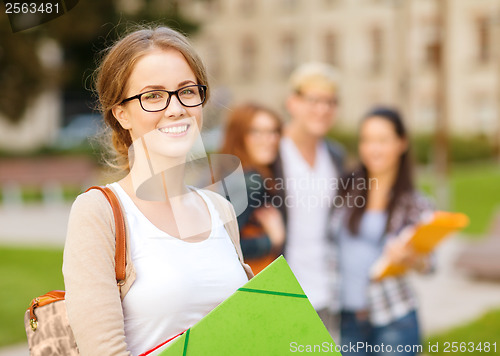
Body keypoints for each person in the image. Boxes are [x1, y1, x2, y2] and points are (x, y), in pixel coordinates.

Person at [62, 26, 253, 356]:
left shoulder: (219, 208)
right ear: (122, 114)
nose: (176, 108)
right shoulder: (99, 211)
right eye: (153, 96)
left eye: (187, 91)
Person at [331, 107, 434, 355]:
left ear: (402, 143)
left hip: (394, 317)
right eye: (367, 140)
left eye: (382, 140)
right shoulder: (346, 189)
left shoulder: (415, 203)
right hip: (349, 318)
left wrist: (411, 259)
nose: (373, 148)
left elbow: (430, 265)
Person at [272, 62, 345, 333]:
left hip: (327, 292)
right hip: (282, 292)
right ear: (293, 102)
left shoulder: (335, 156)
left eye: (330, 102)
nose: (323, 109)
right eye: (314, 100)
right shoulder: (273, 153)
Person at [220, 103, 286, 274]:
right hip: (249, 284)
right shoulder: (250, 182)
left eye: (273, 131)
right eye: (256, 131)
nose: (269, 139)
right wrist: (271, 240)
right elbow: (223, 244)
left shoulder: (227, 174)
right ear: (239, 135)